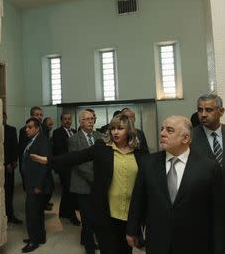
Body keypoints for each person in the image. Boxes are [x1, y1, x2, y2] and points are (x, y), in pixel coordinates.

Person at [30, 114, 145, 254]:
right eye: (113, 128)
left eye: (120, 128)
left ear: (129, 131)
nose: (115, 132)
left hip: (129, 215)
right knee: (108, 249)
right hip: (107, 213)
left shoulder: (139, 152)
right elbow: (77, 157)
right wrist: (49, 161)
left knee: (125, 250)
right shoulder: (103, 147)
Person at [126, 115, 224, 254]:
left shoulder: (208, 167)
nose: (162, 133)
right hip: (158, 240)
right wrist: (132, 229)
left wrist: (219, 246)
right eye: (162, 129)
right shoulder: (148, 163)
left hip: (195, 242)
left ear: (185, 138)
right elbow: (138, 199)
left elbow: (218, 211)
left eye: (169, 130)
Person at [68, 110, 103, 254]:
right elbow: (77, 163)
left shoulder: (100, 137)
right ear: (81, 122)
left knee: (95, 215)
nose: (90, 121)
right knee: (86, 217)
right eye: (87, 119)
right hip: (82, 184)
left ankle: (85, 238)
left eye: (92, 119)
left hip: (98, 185)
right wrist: (94, 178)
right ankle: (89, 246)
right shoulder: (73, 139)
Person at [21, 117, 53, 253]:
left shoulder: (42, 141)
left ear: (37, 128)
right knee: (37, 212)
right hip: (31, 183)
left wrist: (39, 186)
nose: (26, 129)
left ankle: (34, 241)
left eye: (29, 127)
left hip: (37, 185)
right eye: (26, 127)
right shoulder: (33, 140)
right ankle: (40, 237)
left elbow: (44, 166)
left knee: (32, 213)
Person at [52, 113, 79, 224]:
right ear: (61, 120)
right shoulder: (57, 132)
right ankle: (72, 216)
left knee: (67, 191)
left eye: (69, 119)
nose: (67, 121)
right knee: (70, 190)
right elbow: (59, 150)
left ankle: (63, 212)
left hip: (74, 167)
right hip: (65, 166)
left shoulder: (74, 131)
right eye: (65, 119)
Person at [191, 93, 224, 173]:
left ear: (221, 111)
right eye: (200, 110)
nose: (203, 115)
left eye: (209, 110)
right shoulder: (190, 137)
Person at [3, 112, 23, 225]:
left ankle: (10, 215)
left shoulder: (11, 129)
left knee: (9, 192)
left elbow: (14, 146)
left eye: (4, 116)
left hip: (9, 167)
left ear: (6, 117)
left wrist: (14, 161)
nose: (2, 119)